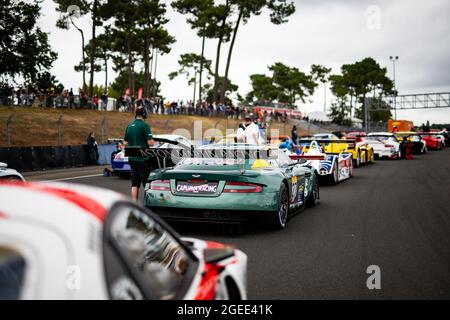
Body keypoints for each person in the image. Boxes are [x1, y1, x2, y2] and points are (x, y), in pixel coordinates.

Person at [123, 106, 155, 202]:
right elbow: (151, 143)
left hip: (132, 159)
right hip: (143, 159)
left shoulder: (129, 125)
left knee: (135, 184)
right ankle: (148, 204)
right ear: (144, 114)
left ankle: (134, 205)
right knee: (147, 184)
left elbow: (125, 143)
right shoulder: (145, 126)